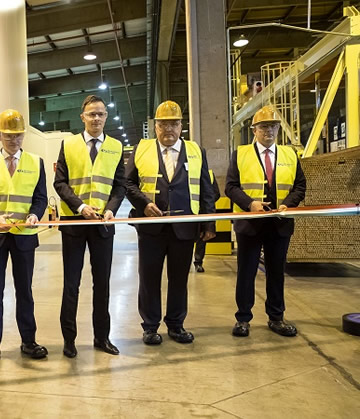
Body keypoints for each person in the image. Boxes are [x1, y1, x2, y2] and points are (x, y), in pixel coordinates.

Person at [125, 100, 216, 345]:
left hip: (185, 228)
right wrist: (143, 203)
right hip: (151, 229)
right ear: (155, 127)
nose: (169, 129)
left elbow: (207, 189)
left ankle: (176, 324)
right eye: (163, 124)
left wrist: (209, 224)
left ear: (181, 126)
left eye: (174, 124)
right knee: (149, 278)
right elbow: (128, 183)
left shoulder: (196, 151)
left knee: (179, 278)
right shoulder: (142, 149)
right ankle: (150, 326)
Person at [0, 109, 48, 365]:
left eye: (18, 135)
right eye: (8, 135)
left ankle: (28, 341)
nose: (13, 140)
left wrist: (36, 215)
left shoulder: (35, 162)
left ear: (23, 135)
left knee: (24, 290)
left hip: (25, 235)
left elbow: (40, 198)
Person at [53, 95, 125, 358]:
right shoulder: (68, 144)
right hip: (74, 223)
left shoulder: (116, 147)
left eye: (101, 114)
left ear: (106, 117)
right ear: (82, 117)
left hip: (103, 225)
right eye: (91, 114)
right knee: (71, 284)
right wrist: (80, 207)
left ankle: (102, 337)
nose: (96, 118)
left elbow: (120, 185)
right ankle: (69, 340)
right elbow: (60, 183)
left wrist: (111, 209)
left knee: (102, 283)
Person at [225, 105, 306, 338]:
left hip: (279, 223)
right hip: (250, 223)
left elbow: (300, 185)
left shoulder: (290, 155)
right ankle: (243, 319)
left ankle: (276, 317)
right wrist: (250, 203)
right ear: (254, 130)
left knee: (276, 272)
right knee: (246, 272)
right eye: (263, 127)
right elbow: (230, 187)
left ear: (278, 129)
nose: (268, 131)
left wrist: (288, 204)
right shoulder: (240, 154)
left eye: (272, 126)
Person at [193, 169, 221, 272]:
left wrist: (206, 202)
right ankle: (194, 262)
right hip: (189, 211)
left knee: (202, 237)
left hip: (202, 211)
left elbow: (216, 193)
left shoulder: (209, 173)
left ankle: (198, 262)